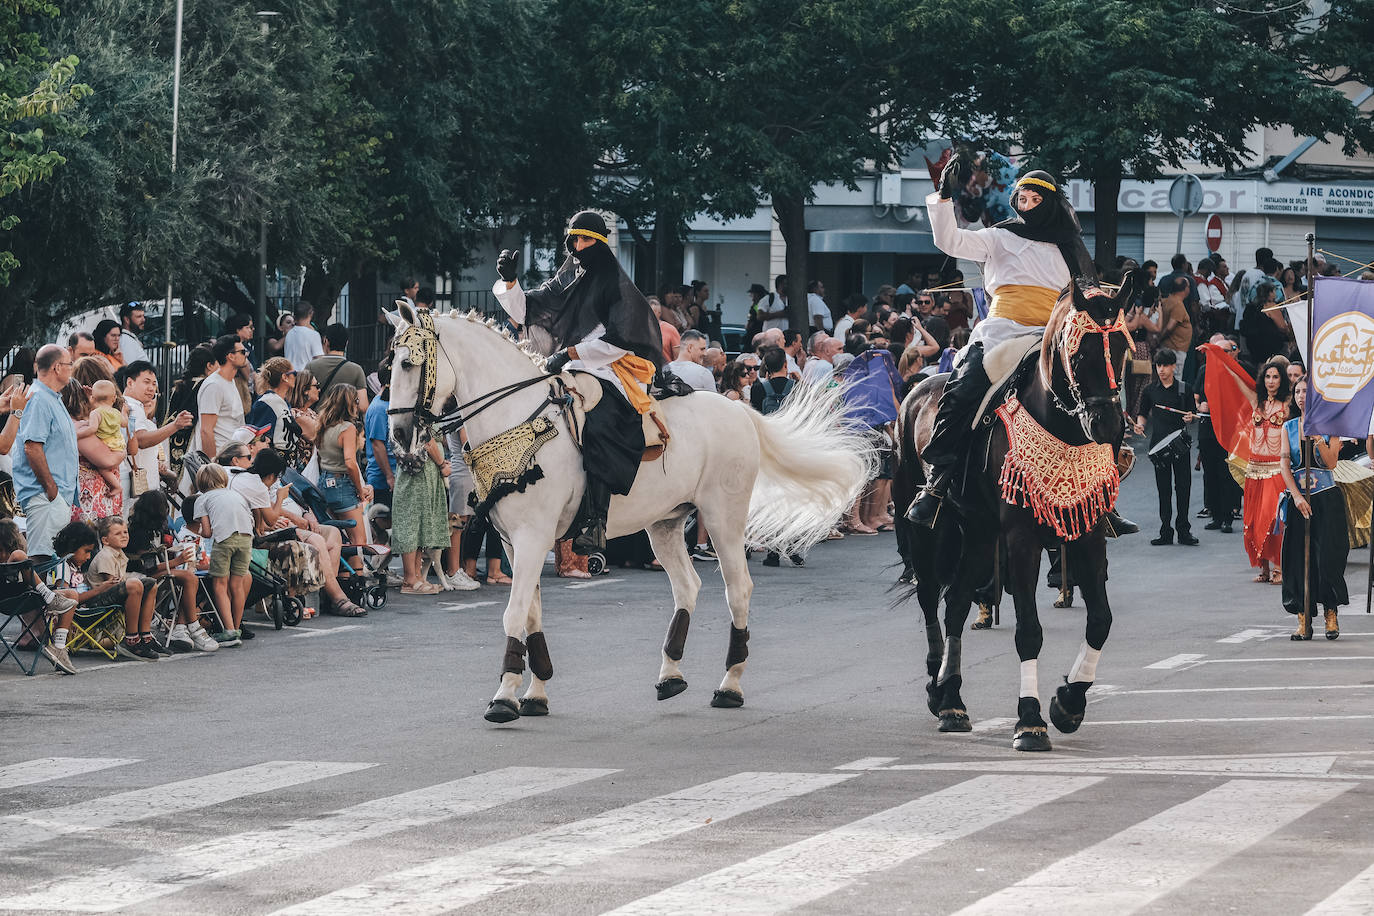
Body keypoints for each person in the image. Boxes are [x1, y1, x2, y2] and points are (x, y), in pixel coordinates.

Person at [906, 167, 1137, 534]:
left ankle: (1103, 499)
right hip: (1003, 332)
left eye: (1035, 200)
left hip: (1052, 336)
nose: (1027, 206)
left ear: (1051, 203)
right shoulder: (999, 235)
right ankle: (937, 483)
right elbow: (950, 241)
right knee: (964, 388)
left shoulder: (1070, 246)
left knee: (1100, 392)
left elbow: (1088, 294)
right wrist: (944, 198)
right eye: (1022, 199)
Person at [494, 210, 663, 555]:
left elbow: (619, 341)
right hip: (570, 365)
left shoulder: (616, 284)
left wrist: (571, 352)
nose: (578, 245)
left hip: (611, 368)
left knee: (599, 424)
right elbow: (527, 310)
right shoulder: (568, 276)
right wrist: (510, 284)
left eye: (585, 239)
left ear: (599, 243)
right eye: (574, 239)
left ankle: (596, 521)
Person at [1279, 378, 1348, 640]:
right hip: (1300, 500)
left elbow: (1331, 463)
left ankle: (1331, 613)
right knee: (1297, 559)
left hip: (1326, 498)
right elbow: (1285, 465)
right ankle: (1303, 619)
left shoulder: (1332, 426)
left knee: (1327, 558)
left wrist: (1319, 438)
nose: (1300, 396)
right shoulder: (1289, 427)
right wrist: (1296, 497)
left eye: (1306, 391)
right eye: (1297, 391)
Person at [124, 490, 219, 652]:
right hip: (139, 574)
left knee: (189, 578)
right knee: (189, 578)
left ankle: (182, 626)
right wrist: (177, 561)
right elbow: (147, 567)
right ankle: (192, 626)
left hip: (157, 571)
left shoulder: (158, 529)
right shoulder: (138, 532)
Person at [13, 345, 79, 558]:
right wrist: (51, 489)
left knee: (52, 560)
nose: (72, 369)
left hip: (55, 495)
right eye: (69, 364)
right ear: (57, 367)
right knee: (41, 559)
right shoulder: (39, 398)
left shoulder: (52, 398)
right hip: (45, 495)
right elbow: (32, 446)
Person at [1134, 350, 1198, 546]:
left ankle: (1184, 530)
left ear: (1173, 367)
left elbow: (1192, 414)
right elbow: (1142, 413)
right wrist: (1140, 425)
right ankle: (1166, 531)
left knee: (1183, 488)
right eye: (1158, 366)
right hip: (1158, 446)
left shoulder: (1184, 388)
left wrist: (1190, 417)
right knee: (1164, 490)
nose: (1161, 370)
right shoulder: (1150, 390)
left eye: (1165, 366)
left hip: (1180, 445)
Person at [189, 463, 254, 646]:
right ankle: (237, 626)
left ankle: (229, 630)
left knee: (220, 584)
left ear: (200, 482)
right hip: (246, 538)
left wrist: (197, 532)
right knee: (237, 585)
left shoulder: (203, 498)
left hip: (225, 539)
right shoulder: (236, 494)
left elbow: (208, 532)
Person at [88, 516, 166, 660]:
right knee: (135, 584)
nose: (124, 536)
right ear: (105, 540)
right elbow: (110, 584)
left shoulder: (120, 555)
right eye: (118, 534)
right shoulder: (105, 555)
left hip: (111, 595)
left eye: (125, 532)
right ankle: (131, 640)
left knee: (151, 583)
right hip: (97, 601)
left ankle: (145, 636)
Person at [1244, 360, 1292, 584]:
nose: (1271, 381)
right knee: (1253, 521)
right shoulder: (1257, 402)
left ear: (1282, 380)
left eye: (1275, 377)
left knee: (1273, 519)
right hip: (1253, 468)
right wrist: (1218, 357)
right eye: (1267, 377)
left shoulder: (1288, 404)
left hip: (1276, 469)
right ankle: (1263, 568)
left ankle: (1279, 567)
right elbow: (1235, 379)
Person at [314, 383, 373, 548]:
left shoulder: (323, 425)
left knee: (342, 537)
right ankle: (357, 573)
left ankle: (351, 573)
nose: (358, 405)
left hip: (325, 484)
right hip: (342, 485)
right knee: (359, 541)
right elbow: (350, 463)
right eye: (356, 401)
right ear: (349, 404)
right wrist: (361, 491)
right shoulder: (348, 428)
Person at [1194, 335, 1242, 533]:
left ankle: (1228, 517)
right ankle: (1214, 514)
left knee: (1226, 474)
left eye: (1225, 351)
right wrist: (1199, 405)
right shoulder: (1204, 371)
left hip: (1228, 430)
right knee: (1210, 474)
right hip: (1207, 429)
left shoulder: (1235, 372)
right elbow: (1195, 397)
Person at [306, 323, 369, 414]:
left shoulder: (311, 366)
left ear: (326, 341)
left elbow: (302, 399)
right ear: (346, 343)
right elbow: (363, 407)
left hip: (318, 423)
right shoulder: (356, 370)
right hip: (346, 424)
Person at [1156, 275, 1193, 370]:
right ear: (1185, 289)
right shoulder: (1177, 304)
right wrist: (1159, 340)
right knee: (1175, 376)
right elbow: (1170, 327)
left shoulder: (1168, 300)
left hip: (1170, 347)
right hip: (1175, 348)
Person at [284, 301, 324, 370]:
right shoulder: (313, 334)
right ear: (311, 314)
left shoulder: (289, 334)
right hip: (305, 377)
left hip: (290, 375)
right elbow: (319, 359)